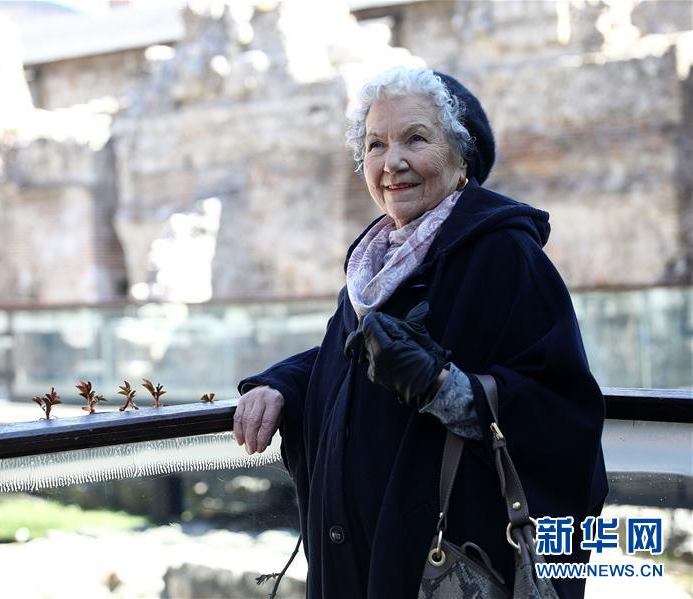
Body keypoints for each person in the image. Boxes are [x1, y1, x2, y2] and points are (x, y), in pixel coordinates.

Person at [233, 66, 608, 598]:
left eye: (415, 138)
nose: (392, 162)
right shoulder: (373, 266)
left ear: (462, 159)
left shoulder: (503, 254)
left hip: (444, 564)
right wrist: (282, 383)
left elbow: (564, 409)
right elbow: (350, 359)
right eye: (375, 145)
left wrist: (443, 388)